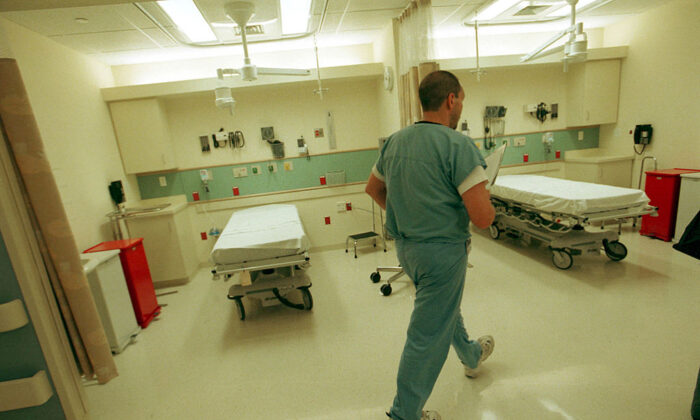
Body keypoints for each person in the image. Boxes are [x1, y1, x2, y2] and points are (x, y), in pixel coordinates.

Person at [365, 70, 496, 420]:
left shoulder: (394, 142)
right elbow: (482, 218)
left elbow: (374, 189)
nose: (461, 109)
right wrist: (489, 199)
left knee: (440, 310)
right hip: (442, 252)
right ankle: (403, 413)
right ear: (451, 100)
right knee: (426, 337)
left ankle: (470, 355)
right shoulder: (458, 146)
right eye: (462, 102)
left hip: (408, 251)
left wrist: (406, 213)